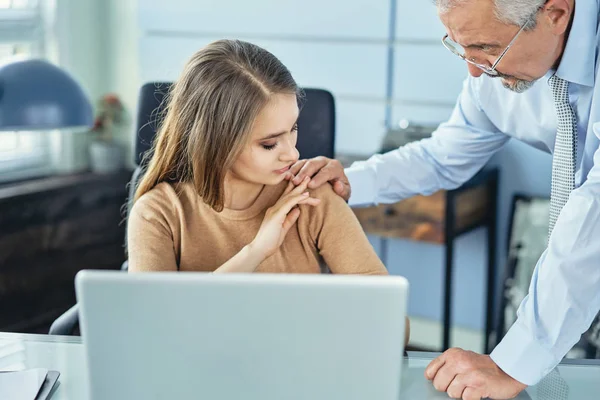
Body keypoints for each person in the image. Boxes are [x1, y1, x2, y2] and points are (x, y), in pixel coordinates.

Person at [288, 0, 600, 398]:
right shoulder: (490, 70)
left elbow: (594, 210)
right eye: (458, 47)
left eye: (486, 48)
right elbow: (442, 155)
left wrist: (514, 362)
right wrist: (351, 180)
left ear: (555, 14)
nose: (473, 71)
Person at [127, 39, 410, 344]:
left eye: (294, 130)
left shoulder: (312, 198)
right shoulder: (158, 212)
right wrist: (257, 250)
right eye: (269, 144)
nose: (292, 153)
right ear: (215, 142)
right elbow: (153, 330)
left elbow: (395, 326)